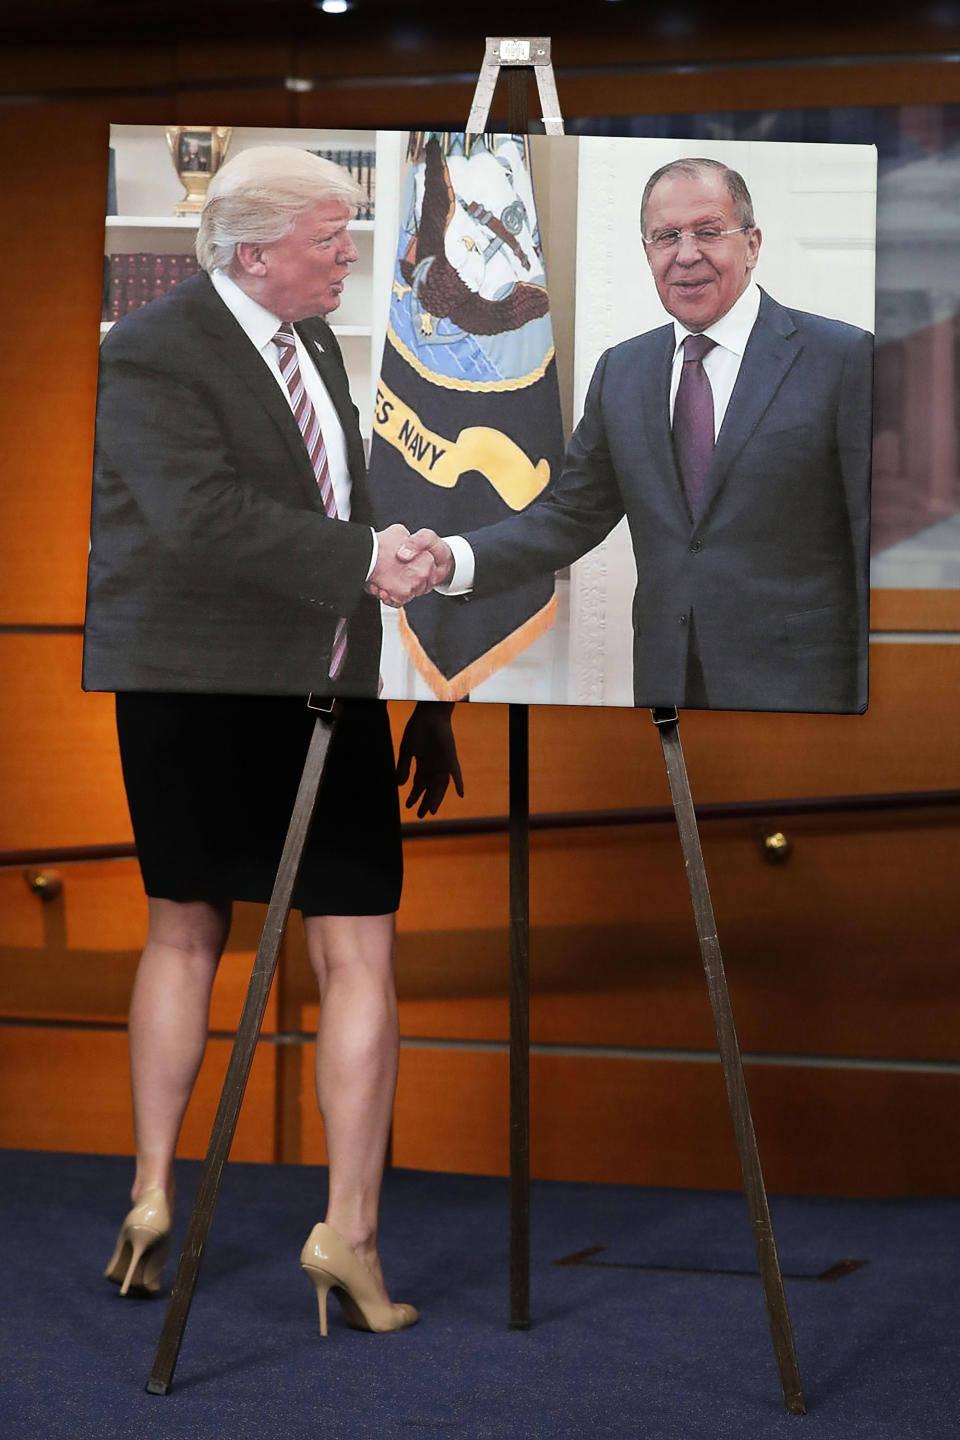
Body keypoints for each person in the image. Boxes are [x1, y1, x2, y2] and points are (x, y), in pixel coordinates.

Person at [86, 145, 458, 1335]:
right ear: (255, 253)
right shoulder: (152, 347)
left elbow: (326, 519)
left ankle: (308, 1225)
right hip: (199, 686)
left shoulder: (308, 353)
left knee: (246, 938)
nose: (350, 256)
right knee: (268, 940)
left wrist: (418, 690)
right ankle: (210, 1207)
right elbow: (199, 520)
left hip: (323, 683)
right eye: (331, 240)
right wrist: (365, 558)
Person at [382, 157, 873, 714]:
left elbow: (871, 539)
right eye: (666, 237)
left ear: (752, 244)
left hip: (806, 690)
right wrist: (452, 558)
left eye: (708, 232)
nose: (686, 254)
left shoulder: (842, 359)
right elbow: (571, 515)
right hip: (668, 683)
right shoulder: (624, 371)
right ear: (648, 253)